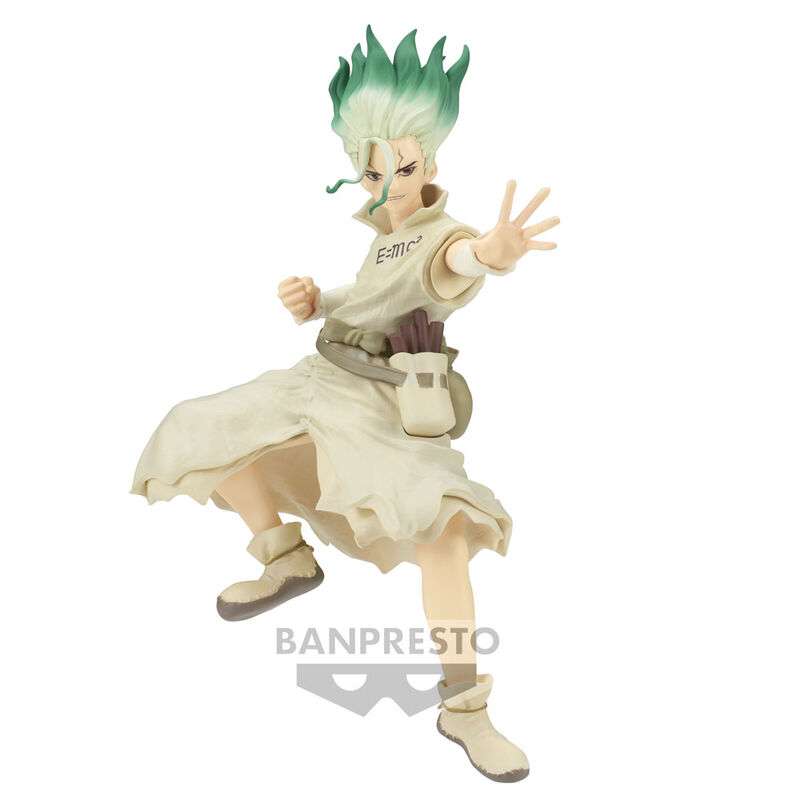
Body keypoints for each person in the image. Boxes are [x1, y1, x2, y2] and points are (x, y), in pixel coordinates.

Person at [132, 26, 559, 782]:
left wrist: (493, 254)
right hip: (321, 377)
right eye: (373, 169)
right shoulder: (384, 236)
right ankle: (285, 559)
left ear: (430, 163)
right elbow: (372, 295)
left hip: (386, 404)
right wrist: (317, 300)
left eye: (405, 166)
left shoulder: (442, 235)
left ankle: (465, 707)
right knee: (205, 428)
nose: (390, 181)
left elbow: (457, 262)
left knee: (443, 527)